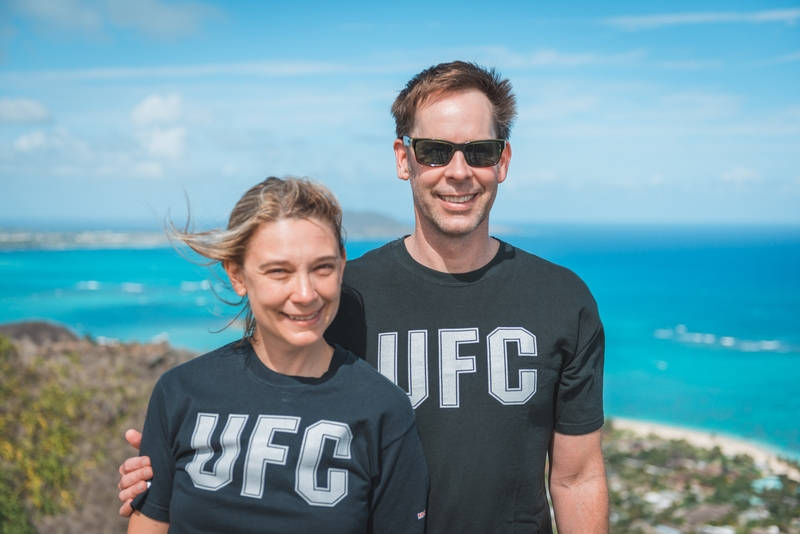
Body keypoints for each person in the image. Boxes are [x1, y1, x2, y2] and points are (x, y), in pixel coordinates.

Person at [120, 61, 608, 534]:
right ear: (404, 158)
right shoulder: (336, 297)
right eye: (435, 151)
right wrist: (179, 468)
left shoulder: (561, 300)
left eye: (479, 151)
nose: (458, 172)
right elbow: (259, 405)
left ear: (502, 160)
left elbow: (576, 476)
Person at [126, 177, 428, 534]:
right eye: (278, 271)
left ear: (342, 265)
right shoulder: (180, 393)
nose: (304, 293)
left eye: (322, 268)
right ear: (237, 275)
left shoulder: (382, 409)